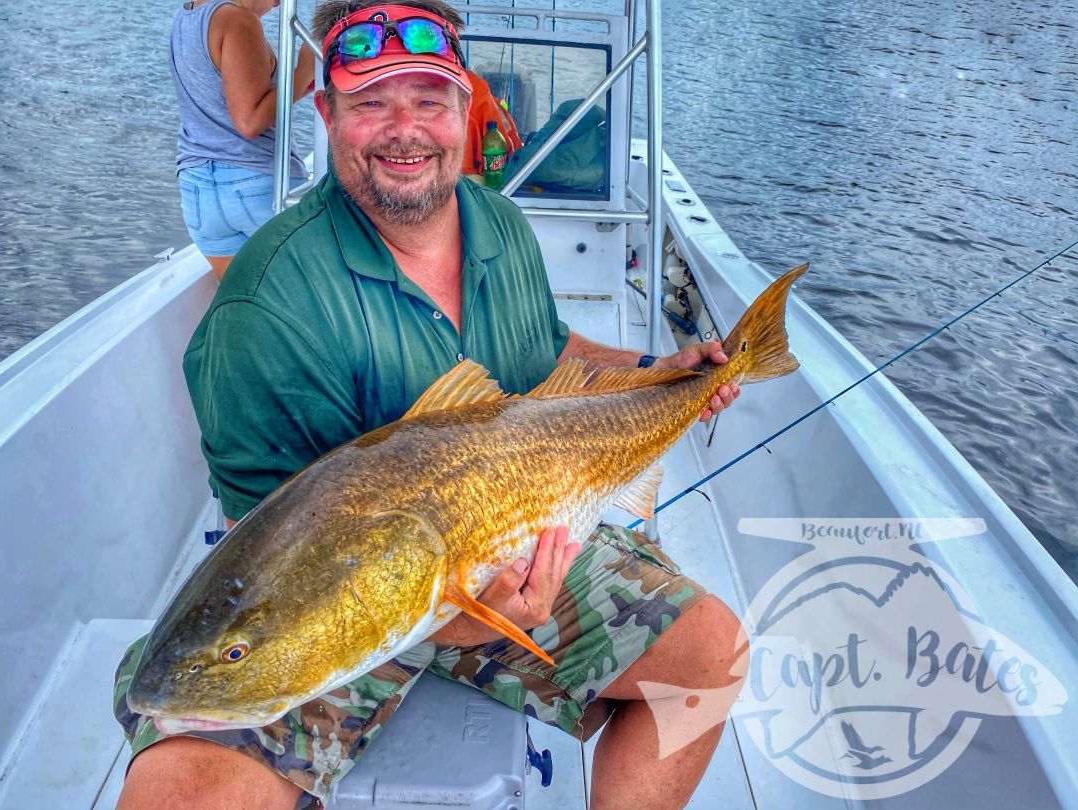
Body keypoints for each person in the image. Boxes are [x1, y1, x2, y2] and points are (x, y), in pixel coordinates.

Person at [114, 2, 748, 808]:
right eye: (370, 101)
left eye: (427, 100)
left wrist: (667, 370)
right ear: (327, 112)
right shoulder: (264, 308)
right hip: (347, 603)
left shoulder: (500, 223)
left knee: (713, 655)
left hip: (509, 532)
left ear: (464, 106)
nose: (403, 130)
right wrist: (460, 623)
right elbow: (260, 551)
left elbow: (552, 358)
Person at [170, 0, 316, 279]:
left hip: (198, 193)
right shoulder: (238, 21)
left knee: (248, 305)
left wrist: (295, 87)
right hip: (255, 185)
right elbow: (249, 121)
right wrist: (303, 72)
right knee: (316, 295)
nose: (279, 3)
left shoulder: (185, 17)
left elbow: (221, 100)